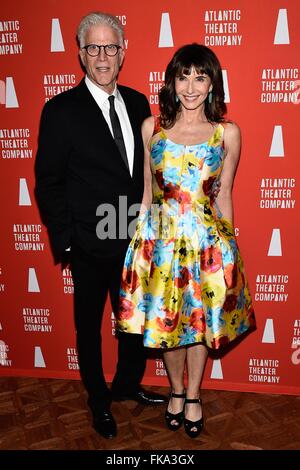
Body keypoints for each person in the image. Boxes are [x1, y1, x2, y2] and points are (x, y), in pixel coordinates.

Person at [35, 12, 166, 440]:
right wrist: (67, 242)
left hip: (134, 237)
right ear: (80, 54)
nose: (103, 56)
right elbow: (49, 182)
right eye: (93, 48)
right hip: (89, 242)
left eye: (111, 47)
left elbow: (146, 173)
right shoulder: (59, 110)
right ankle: (97, 398)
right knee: (89, 325)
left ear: (123, 52)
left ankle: (127, 384)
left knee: (133, 319)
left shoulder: (137, 103)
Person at [117, 43, 256, 438]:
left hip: (207, 245)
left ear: (212, 83)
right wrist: (136, 245)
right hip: (158, 242)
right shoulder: (152, 128)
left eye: (200, 76)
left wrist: (230, 247)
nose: (191, 86)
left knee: (200, 324)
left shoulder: (227, 133)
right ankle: (175, 389)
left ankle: (193, 394)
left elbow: (225, 193)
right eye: (184, 76)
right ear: (172, 81)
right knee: (166, 324)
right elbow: (146, 190)